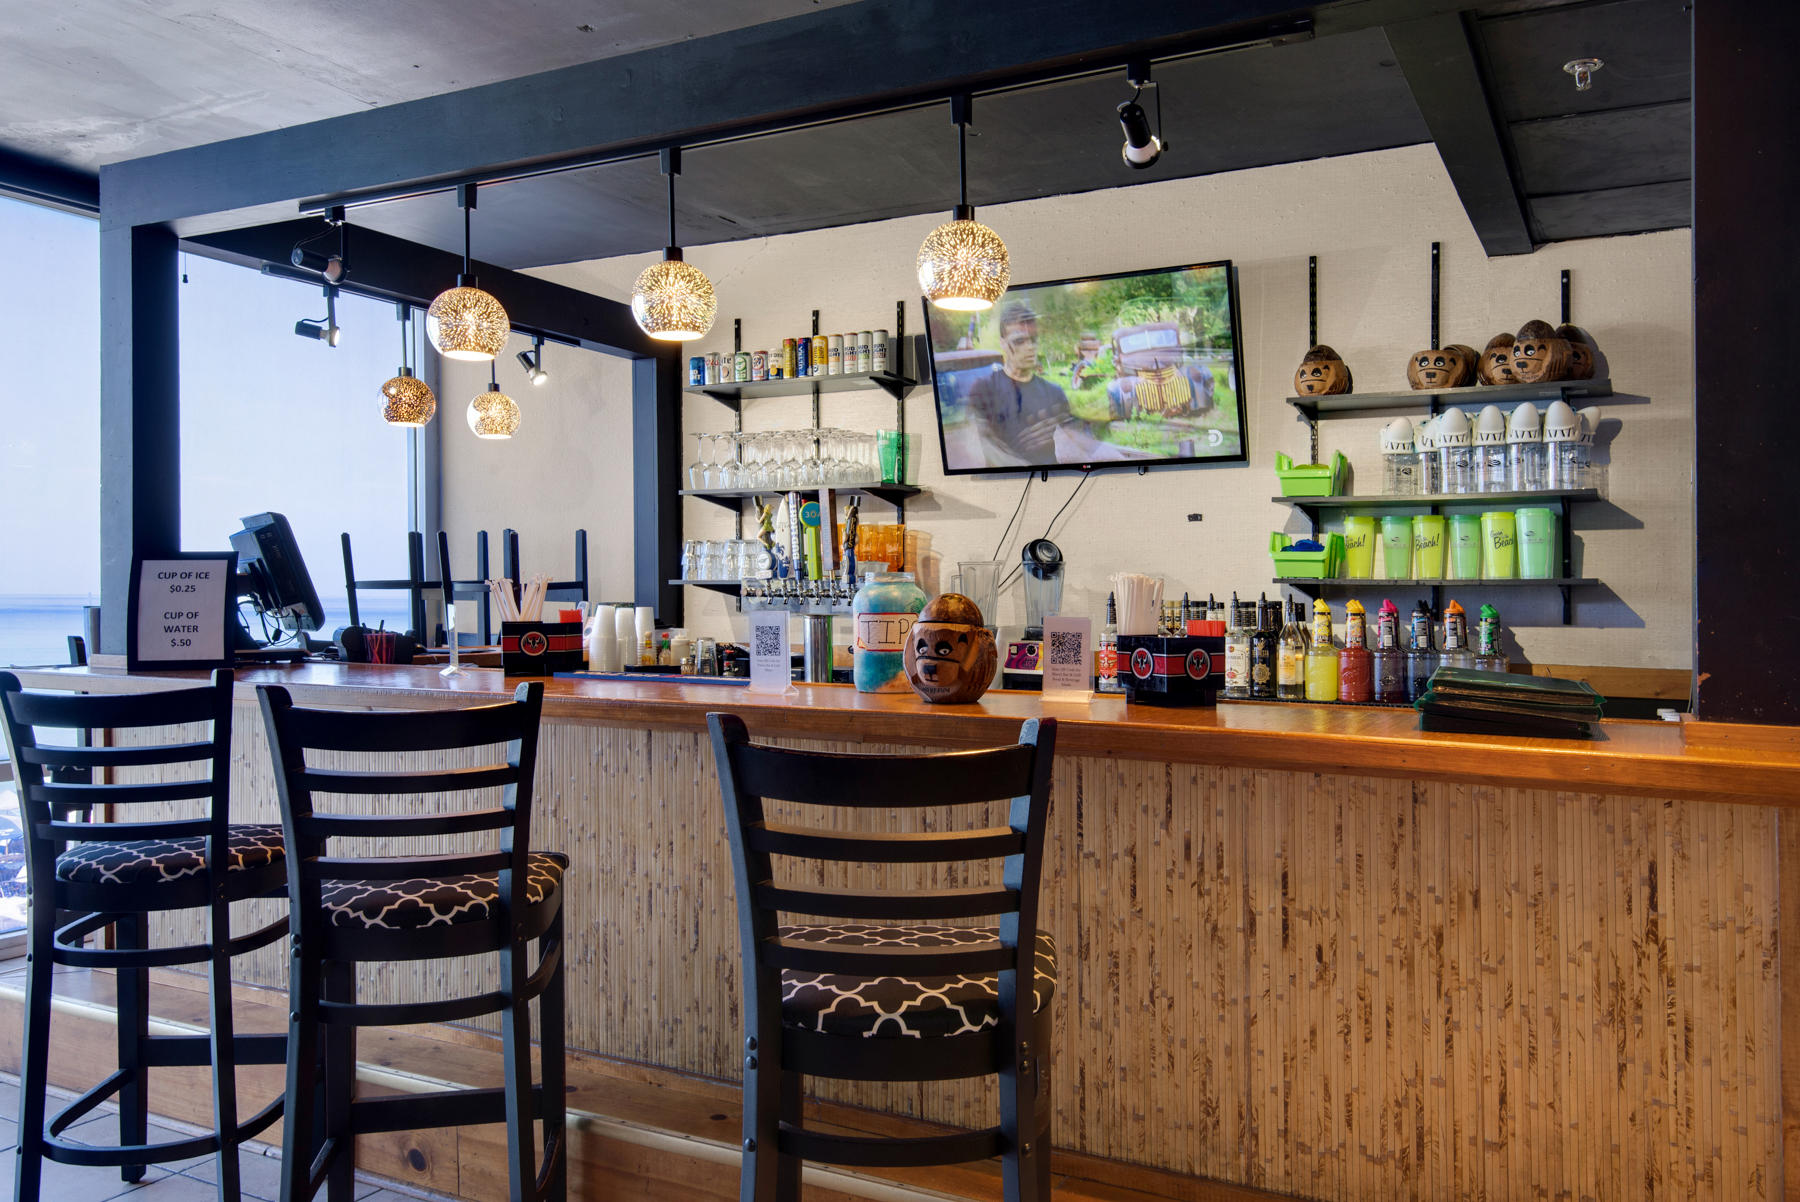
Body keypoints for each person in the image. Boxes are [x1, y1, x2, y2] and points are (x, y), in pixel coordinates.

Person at [963, 301, 1140, 466]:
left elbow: (1079, 439)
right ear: (1003, 343)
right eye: (1019, 341)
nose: (1030, 347)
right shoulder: (984, 390)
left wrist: (1121, 461)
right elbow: (979, 447)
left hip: (1051, 481)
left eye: (1033, 339)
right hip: (1005, 484)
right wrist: (1025, 468)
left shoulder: (1052, 392)